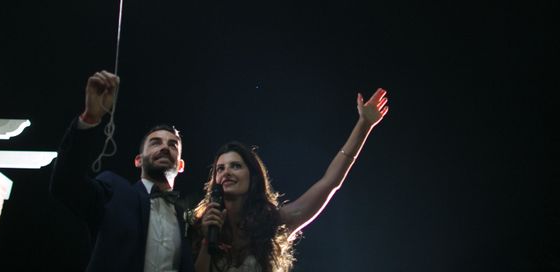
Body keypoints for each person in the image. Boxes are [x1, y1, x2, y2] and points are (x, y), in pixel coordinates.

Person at [192, 88, 389, 272]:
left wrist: (364, 125)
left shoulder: (272, 224)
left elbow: (329, 182)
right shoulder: (200, 227)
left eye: (236, 166)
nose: (227, 172)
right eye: (220, 168)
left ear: (252, 177)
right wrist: (207, 240)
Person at [50, 70, 195, 272]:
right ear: (138, 160)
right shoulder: (113, 191)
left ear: (180, 166)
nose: (164, 147)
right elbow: (65, 184)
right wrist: (90, 118)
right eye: (155, 143)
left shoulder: (186, 218)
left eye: (173, 145)